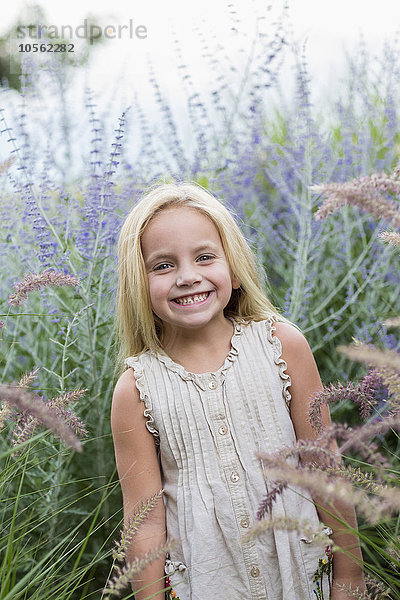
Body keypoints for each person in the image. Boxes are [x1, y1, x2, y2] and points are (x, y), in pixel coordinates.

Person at [111, 181, 366, 600]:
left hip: (300, 575)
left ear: (233, 264)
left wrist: (351, 578)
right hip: (207, 583)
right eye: (162, 265)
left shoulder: (282, 345)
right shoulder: (136, 389)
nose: (188, 277)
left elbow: (325, 470)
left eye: (205, 257)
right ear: (138, 282)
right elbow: (146, 523)